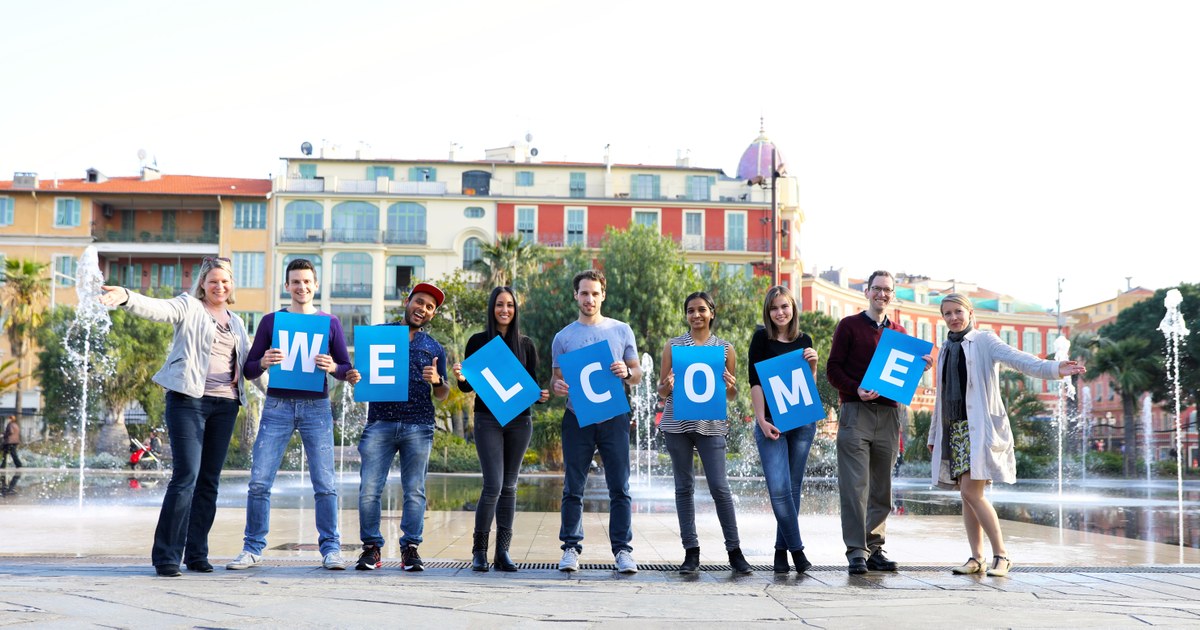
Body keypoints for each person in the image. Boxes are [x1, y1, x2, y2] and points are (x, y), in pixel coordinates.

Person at [99, 256, 254, 577]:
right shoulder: (189, 306)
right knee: (186, 476)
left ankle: (197, 553)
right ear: (203, 284)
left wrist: (279, 390)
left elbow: (252, 366)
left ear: (231, 285)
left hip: (226, 405)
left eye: (225, 281)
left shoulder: (237, 322)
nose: (219, 286)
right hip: (188, 401)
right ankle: (167, 555)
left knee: (209, 482)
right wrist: (127, 297)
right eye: (213, 281)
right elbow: (160, 308)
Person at [927, 293, 1084, 577]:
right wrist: (934, 434)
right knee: (966, 496)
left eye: (958, 311)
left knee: (972, 492)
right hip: (955, 430)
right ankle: (976, 558)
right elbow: (941, 397)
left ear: (970, 312)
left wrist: (1054, 368)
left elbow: (1019, 360)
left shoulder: (984, 341)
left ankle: (1002, 555)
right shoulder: (947, 349)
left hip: (978, 428)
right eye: (947, 313)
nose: (953, 317)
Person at [226, 258, 359, 572]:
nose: (302, 287)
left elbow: (346, 369)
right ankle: (253, 548)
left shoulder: (331, 323)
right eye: (296, 282)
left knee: (325, 483)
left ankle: (331, 549)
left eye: (307, 282)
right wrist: (263, 362)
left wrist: (336, 369)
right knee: (259, 481)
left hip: (317, 408)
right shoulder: (272, 322)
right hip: (277, 406)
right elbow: (247, 369)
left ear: (316, 285)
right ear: (287, 286)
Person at [826, 270, 932, 575]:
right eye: (876, 289)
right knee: (855, 486)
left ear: (893, 295)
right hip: (855, 412)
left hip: (889, 416)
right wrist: (855, 388)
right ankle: (856, 551)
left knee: (882, 487)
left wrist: (919, 367)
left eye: (887, 290)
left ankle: (874, 548)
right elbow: (833, 370)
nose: (881, 294)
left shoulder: (899, 334)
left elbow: (900, 379)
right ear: (867, 291)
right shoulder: (848, 326)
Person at [551, 269, 642, 574]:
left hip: (614, 417)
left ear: (603, 295)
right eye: (583, 293)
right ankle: (570, 548)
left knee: (620, 486)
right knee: (573, 486)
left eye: (594, 293)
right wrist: (557, 386)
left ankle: (623, 551)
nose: (589, 299)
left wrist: (626, 373)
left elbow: (637, 375)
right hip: (577, 417)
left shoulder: (621, 330)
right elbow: (557, 379)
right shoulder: (563, 337)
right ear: (575, 296)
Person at [452, 286, 549, 572]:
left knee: (510, 486)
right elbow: (467, 386)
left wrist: (540, 394)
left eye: (509, 305)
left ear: (515, 309)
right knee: (493, 485)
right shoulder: (478, 341)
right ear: (491, 309)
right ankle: (479, 552)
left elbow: (529, 385)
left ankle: (502, 552)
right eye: (499, 305)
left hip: (520, 421)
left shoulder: (526, 344)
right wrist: (460, 376)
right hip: (487, 419)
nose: (504, 310)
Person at [354, 282, 449, 571]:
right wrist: (356, 376)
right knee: (369, 488)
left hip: (418, 426)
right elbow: (362, 374)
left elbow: (444, 392)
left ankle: (410, 547)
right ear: (408, 301)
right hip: (380, 423)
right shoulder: (380, 335)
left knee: (415, 490)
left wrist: (437, 381)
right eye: (419, 302)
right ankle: (371, 548)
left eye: (430, 307)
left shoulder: (434, 347)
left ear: (432, 315)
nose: (422, 309)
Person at [658, 291, 752, 575]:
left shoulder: (725, 349)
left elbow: (732, 396)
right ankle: (691, 551)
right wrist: (668, 385)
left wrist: (732, 385)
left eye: (701, 310)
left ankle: (734, 551)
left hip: (711, 425)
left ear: (712, 312)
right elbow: (661, 392)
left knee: (720, 488)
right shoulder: (673, 347)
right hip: (677, 424)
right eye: (690, 310)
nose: (695, 315)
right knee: (683, 487)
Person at [748, 285, 819, 575]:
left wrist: (813, 367)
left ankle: (780, 551)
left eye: (784, 307)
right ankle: (797, 551)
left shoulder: (805, 340)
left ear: (793, 309)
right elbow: (754, 381)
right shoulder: (761, 339)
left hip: (801, 421)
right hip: (771, 422)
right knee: (778, 489)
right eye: (774, 308)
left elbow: (806, 387)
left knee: (792, 488)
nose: (780, 312)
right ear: (768, 311)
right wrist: (761, 420)